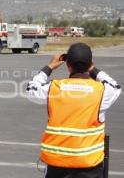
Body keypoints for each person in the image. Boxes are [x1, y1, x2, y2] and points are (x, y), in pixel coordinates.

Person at [26, 43, 121, 178]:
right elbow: (115, 86)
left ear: (67, 64)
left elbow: (31, 89)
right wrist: (93, 69)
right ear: (90, 63)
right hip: (89, 167)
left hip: (57, 166)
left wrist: (50, 66)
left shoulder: (54, 88)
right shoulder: (102, 91)